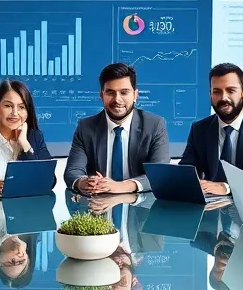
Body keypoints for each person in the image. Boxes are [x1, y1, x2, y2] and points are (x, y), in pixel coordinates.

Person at [178, 63, 243, 196]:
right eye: (217, 91)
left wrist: (226, 188)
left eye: (231, 90)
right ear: (210, 94)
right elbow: (186, 170)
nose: (223, 98)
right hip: (209, 208)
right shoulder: (199, 129)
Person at [64, 62, 170, 195]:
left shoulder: (155, 125)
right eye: (110, 92)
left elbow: (160, 173)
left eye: (124, 92)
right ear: (101, 95)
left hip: (141, 208)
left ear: (135, 95)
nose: (117, 99)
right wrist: (84, 182)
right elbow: (72, 171)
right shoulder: (85, 127)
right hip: (99, 207)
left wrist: (122, 186)